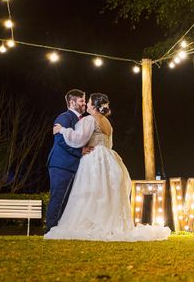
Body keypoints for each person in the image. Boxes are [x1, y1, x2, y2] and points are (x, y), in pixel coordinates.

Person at [44, 93, 170, 241]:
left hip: (94, 159)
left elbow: (79, 138)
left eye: (88, 102)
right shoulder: (107, 122)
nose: (86, 104)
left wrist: (63, 130)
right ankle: (106, 223)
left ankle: (90, 224)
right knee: (105, 193)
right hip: (109, 158)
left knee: (90, 193)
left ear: (94, 106)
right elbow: (109, 144)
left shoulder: (90, 119)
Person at [46, 89, 90, 232]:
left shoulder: (81, 120)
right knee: (57, 196)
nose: (84, 103)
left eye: (84, 100)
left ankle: (60, 228)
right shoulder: (64, 117)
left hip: (72, 165)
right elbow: (61, 141)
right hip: (61, 164)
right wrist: (80, 151)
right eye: (82, 100)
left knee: (67, 199)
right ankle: (50, 229)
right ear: (72, 102)